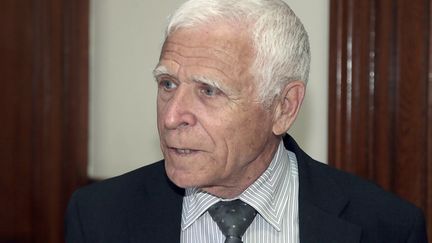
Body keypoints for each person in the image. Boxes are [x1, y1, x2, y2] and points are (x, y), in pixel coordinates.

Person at [65, 0, 427, 242]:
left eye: (208, 91)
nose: (171, 116)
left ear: (283, 107)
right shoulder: (98, 218)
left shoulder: (386, 227)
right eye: (167, 84)